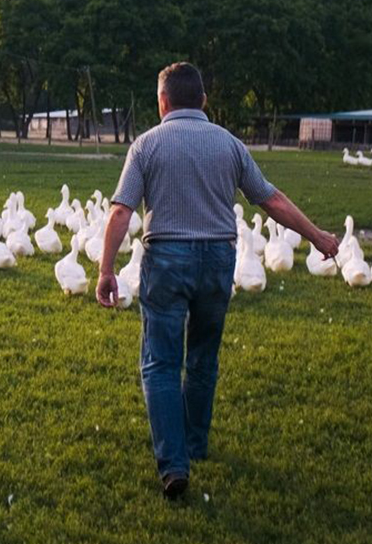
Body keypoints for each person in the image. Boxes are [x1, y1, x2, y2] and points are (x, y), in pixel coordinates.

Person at [97, 62, 339, 500]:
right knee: (203, 358)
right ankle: (196, 443)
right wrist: (318, 236)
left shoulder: (147, 145)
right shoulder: (229, 144)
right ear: (204, 100)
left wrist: (107, 270)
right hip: (217, 262)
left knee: (161, 363)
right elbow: (271, 199)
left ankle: (174, 466)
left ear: (162, 101)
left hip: (167, 260)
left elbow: (120, 212)